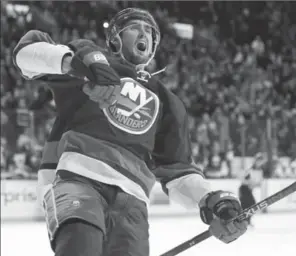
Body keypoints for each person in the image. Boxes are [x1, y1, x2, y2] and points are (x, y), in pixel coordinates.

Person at [13, 8, 248, 256]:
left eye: (149, 31)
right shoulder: (88, 63)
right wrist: (73, 62)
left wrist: (212, 199)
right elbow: (25, 54)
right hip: (79, 179)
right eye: (135, 27)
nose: (144, 33)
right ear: (115, 39)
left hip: (133, 202)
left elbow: (179, 171)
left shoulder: (168, 100)